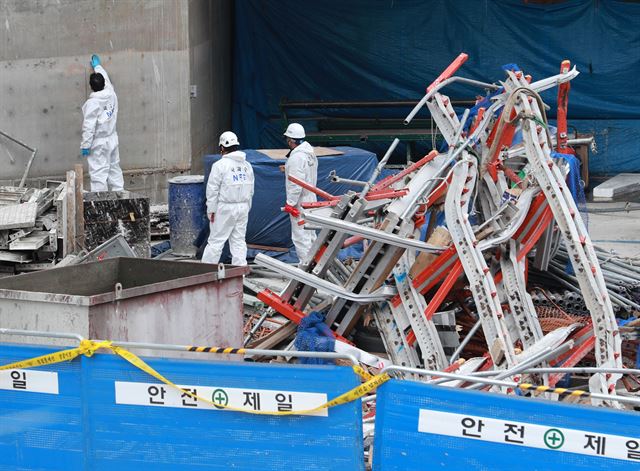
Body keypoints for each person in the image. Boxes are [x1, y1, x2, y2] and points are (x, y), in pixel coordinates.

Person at [202, 131, 254, 266]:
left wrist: (211, 210)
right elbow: (251, 190)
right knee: (238, 241)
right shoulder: (246, 166)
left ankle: (205, 272)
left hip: (225, 208)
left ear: (222, 148)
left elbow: (212, 190)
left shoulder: (220, 165)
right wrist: (247, 207)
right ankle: (239, 273)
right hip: (242, 207)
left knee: (216, 242)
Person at [80, 54, 124, 192]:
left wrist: (86, 145)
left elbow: (89, 126)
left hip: (99, 143)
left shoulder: (92, 103)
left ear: (91, 86)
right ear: (104, 83)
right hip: (112, 138)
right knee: (114, 169)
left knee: (99, 173)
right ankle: (120, 196)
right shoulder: (111, 93)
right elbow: (105, 77)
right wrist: (97, 66)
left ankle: (101, 204)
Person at [282, 123, 318, 262]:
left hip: (300, 201)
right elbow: (305, 174)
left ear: (291, 140)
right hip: (310, 198)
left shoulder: (296, 157)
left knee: (300, 237)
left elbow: (295, 183)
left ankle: (306, 269)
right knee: (310, 234)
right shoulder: (310, 154)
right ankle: (315, 263)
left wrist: (290, 203)